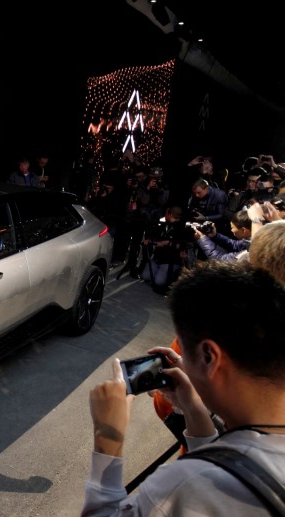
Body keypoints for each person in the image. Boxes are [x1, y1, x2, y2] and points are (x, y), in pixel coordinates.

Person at [82, 260, 285, 516]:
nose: (181, 362)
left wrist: (107, 436)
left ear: (209, 357)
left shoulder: (187, 485)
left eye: (183, 350)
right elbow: (239, 463)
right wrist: (195, 410)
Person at [138, 206, 191, 293]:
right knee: (146, 276)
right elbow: (155, 235)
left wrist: (167, 243)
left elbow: (180, 245)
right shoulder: (164, 225)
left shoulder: (182, 229)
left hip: (170, 261)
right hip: (158, 258)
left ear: (170, 215)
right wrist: (149, 240)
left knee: (159, 281)